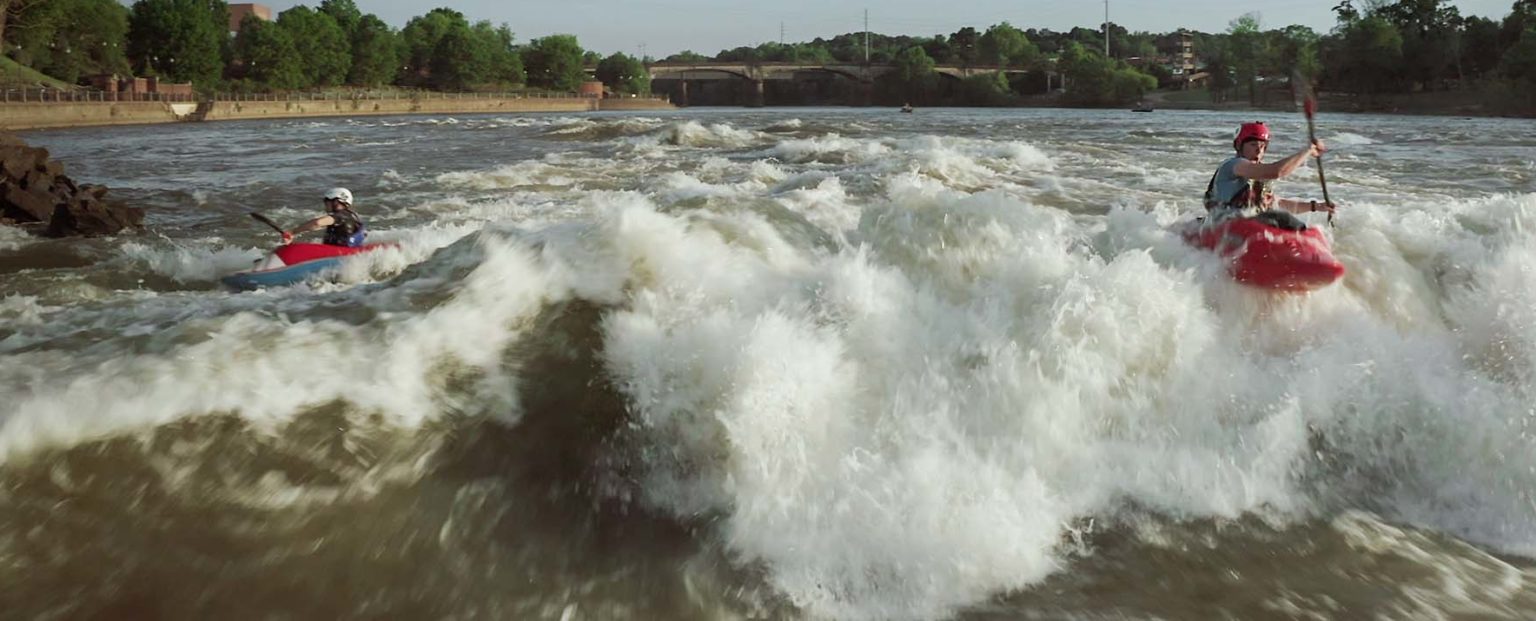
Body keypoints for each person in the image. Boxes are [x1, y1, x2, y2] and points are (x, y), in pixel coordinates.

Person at [1203, 122, 1335, 225]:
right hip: (1223, 227)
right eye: (1253, 144)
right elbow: (1277, 171)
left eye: (1262, 146)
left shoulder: (1258, 175)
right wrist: (1308, 151)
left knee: (1276, 216)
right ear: (1238, 146)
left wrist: (1315, 206)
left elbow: (1278, 203)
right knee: (1279, 218)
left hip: (1246, 228)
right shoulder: (1234, 165)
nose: (1259, 150)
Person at [281, 187, 366, 247]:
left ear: (336, 202)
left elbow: (317, 223)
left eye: (327, 201)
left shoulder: (340, 216)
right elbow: (315, 227)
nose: (325, 205)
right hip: (343, 252)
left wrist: (292, 232)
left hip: (337, 254)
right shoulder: (350, 215)